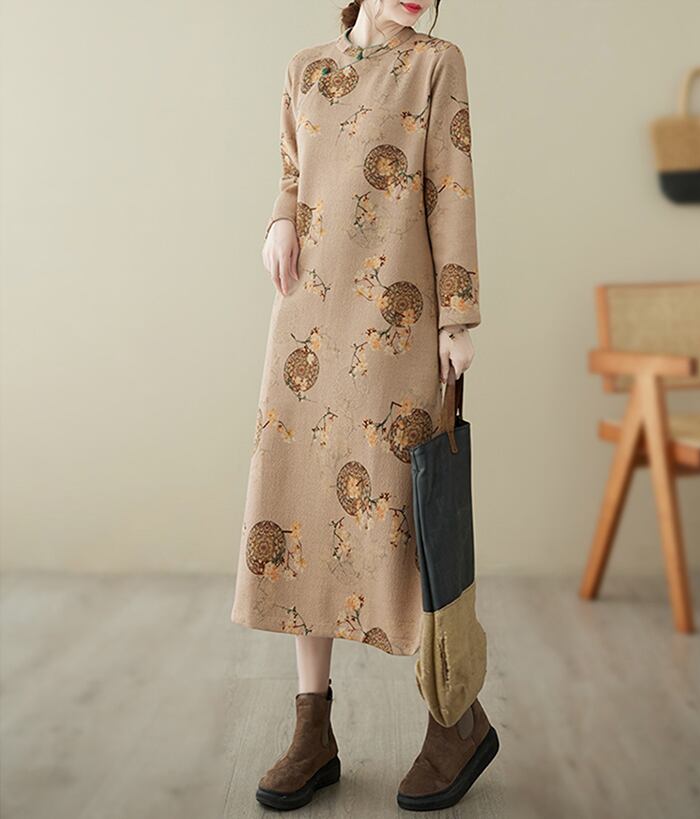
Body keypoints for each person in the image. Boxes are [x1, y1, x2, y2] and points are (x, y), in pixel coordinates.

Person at [230, 0, 497, 810]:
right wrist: (278, 220)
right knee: (301, 511)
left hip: (396, 320)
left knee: (406, 517)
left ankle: (454, 718)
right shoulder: (305, 67)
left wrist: (457, 316)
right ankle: (312, 728)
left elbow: (450, 185)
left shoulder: (435, 63)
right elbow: (292, 168)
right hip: (306, 318)